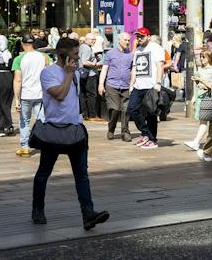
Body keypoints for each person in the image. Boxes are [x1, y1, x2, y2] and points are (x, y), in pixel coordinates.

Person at [30, 37, 109, 230]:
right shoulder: (48, 72)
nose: (77, 57)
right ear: (62, 53)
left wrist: (71, 73)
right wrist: (67, 74)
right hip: (54, 130)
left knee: (81, 174)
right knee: (44, 172)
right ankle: (37, 209)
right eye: (74, 54)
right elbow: (59, 95)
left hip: (75, 129)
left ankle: (88, 213)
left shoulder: (74, 72)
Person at [126, 27, 166, 150]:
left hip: (151, 85)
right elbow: (134, 68)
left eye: (142, 36)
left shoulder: (156, 48)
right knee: (132, 109)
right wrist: (131, 84)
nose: (139, 39)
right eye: (137, 36)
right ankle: (145, 133)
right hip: (138, 86)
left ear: (148, 36)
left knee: (151, 114)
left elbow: (160, 65)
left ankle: (152, 140)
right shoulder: (138, 50)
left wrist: (158, 82)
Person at [13, 35, 47, 157]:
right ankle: (44, 145)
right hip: (41, 93)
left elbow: (18, 80)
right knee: (42, 120)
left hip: (26, 94)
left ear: (22, 44)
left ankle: (25, 147)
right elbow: (50, 73)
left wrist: (16, 99)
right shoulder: (44, 56)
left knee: (24, 121)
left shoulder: (19, 59)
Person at [99, 32, 133, 140]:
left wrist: (132, 85)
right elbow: (104, 69)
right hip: (112, 85)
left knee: (126, 110)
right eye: (125, 40)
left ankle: (125, 132)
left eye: (128, 40)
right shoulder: (110, 53)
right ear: (119, 40)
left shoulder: (131, 55)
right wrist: (101, 84)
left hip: (126, 86)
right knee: (115, 109)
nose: (127, 42)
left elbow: (133, 71)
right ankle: (111, 129)